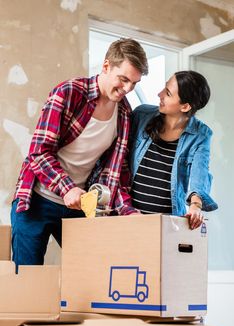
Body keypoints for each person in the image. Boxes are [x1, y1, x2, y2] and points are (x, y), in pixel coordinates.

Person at [11, 38, 148, 265]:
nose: (127, 89)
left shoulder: (124, 113)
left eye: (134, 83)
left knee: (93, 274)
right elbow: (39, 152)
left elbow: (116, 173)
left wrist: (128, 211)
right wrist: (67, 188)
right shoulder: (69, 92)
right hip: (37, 200)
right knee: (27, 278)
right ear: (106, 66)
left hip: (81, 206)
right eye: (123, 79)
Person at [129, 70, 218, 229]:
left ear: (185, 106)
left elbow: (201, 172)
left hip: (166, 226)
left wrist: (195, 205)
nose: (159, 94)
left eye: (168, 93)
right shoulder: (141, 115)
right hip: (128, 217)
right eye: (164, 88)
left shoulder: (201, 135)